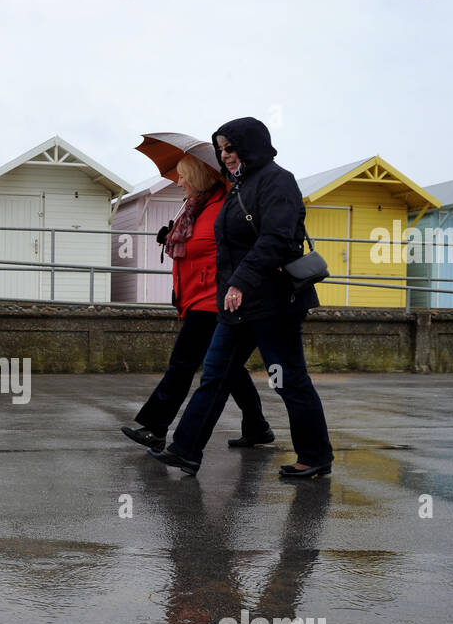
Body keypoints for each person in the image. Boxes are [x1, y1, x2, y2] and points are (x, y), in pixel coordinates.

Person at [150, 117, 334, 479]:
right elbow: (228, 250)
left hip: (274, 303)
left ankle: (315, 456)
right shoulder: (238, 187)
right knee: (215, 375)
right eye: (220, 149)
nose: (225, 155)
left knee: (287, 380)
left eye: (230, 148)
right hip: (236, 306)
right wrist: (226, 291)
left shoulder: (278, 181)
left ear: (251, 146)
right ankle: (185, 449)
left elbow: (277, 239)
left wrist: (240, 284)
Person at [121, 154, 273, 453]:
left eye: (183, 176)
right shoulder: (195, 208)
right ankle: (257, 426)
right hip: (194, 297)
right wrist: (170, 239)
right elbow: (197, 246)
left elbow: (231, 251)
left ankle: (155, 427)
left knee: (182, 363)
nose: (179, 182)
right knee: (227, 368)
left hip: (212, 300)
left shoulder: (223, 208)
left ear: (200, 177)